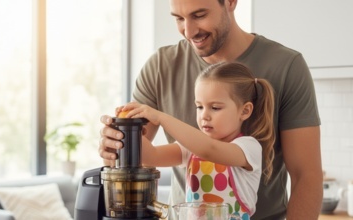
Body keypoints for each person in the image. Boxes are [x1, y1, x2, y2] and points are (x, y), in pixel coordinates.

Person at [99, 0, 323, 219]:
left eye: (199, 15)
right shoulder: (160, 65)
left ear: (231, 2)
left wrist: (161, 118)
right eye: (178, 18)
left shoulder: (285, 66)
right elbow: (144, 157)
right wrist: (117, 142)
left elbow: (306, 176)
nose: (188, 31)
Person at [117, 62, 275, 218]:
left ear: (245, 111)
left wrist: (161, 117)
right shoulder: (190, 148)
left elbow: (209, 150)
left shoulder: (248, 148)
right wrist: (128, 130)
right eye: (199, 107)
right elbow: (151, 156)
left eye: (215, 108)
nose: (204, 115)